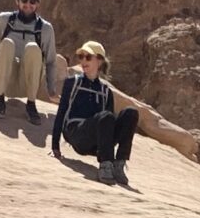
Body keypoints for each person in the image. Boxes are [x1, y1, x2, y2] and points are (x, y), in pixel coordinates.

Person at [51, 41, 139, 184]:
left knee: (131, 113)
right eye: (81, 57)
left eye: (88, 57)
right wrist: (55, 146)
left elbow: (109, 126)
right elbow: (61, 113)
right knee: (106, 116)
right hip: (77, 135)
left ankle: (118, 165)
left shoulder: (106, 91)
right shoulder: (72, 83)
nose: (83, 61)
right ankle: (105, 165)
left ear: (100, 61)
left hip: (97, 141)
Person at [0, 0, 59, 118]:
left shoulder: (45, 28)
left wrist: (51, 91)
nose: (28, 4)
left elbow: (51, 61)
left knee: (33, 47)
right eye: (25, 0)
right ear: (17, 1)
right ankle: (0, 103)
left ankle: (31, 105)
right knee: (7, 43)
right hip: (5, 80)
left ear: (37, 4)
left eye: (33, 1)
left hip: (27, 84)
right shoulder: (3, 20)